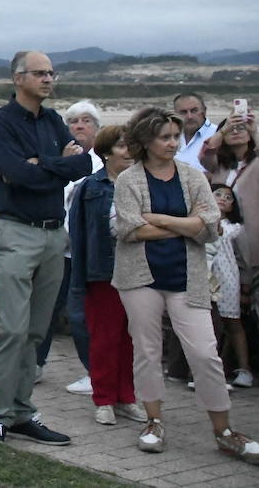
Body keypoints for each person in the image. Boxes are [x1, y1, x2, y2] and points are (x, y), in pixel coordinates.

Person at [113, 107, 259, 463]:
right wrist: (185, 223)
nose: (172, 143)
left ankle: (224, 430)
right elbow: (130, 229)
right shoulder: (128, 180)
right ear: (146, 140)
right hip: (140, 279)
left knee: (206, 354)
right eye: (165, 137)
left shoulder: (193, 176)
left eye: (175, 136)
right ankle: (153, 420)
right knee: (146, 351)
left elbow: (210, 226)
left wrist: (161, 219)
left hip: (187, 277)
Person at [0, 50, 90, 445]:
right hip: (15, 232)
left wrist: (40, 165)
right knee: (13, 328)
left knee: (36, 331)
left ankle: (22, 411)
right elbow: (15, 174)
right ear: (18, 78)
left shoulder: (55, 121)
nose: (48, 79)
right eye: (40, 73)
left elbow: (81, 166)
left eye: (51, 73)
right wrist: (52, 165)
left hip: (52, 235)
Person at [67, 124, 147, 425]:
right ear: (106, 152)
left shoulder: (142, 183)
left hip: (139, 272)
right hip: (102, 273)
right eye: (122, 146)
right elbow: (78, 233)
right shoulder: (90, 187)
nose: (128, 152)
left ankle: (127, 396)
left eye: (131, 146)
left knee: (131, 339)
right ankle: (103, 399)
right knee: (104, 338)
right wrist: (81, 278)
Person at [37, 100, 104, 393]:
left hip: (88, 253)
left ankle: (95, 372)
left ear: (97, 128)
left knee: (80, 315)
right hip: (58, 249)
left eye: (86, 121)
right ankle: (34, 365)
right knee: (44, 310)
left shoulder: (102, 163)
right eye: (73, 121)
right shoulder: (59, 159)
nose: (79, 126)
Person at [201, 112, 259, 272]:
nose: (235, 131)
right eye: (231, 129)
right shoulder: (219, 165)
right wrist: (222, 130)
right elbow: (206, 154)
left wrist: (254, 131)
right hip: (222, 236)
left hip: (252, 234)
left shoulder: (256, 163)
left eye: (241, 128)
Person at [208, 186, 251, 389]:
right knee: (208, 325)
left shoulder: (235, 228)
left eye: (228, 197)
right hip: (206, 276)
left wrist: (246, 285)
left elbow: (243, 256)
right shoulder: (200, 218)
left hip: (228, 278)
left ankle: (244, 369)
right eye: (218, 195)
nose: (223, 199)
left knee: (232, 323)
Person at [175, 93, 218, 171]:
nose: (189, 116)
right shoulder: (170, 137)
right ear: (175, 114)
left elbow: (226, 174)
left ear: (204, 111)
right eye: (183, 112)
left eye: (194, 111)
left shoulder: (217, 134)